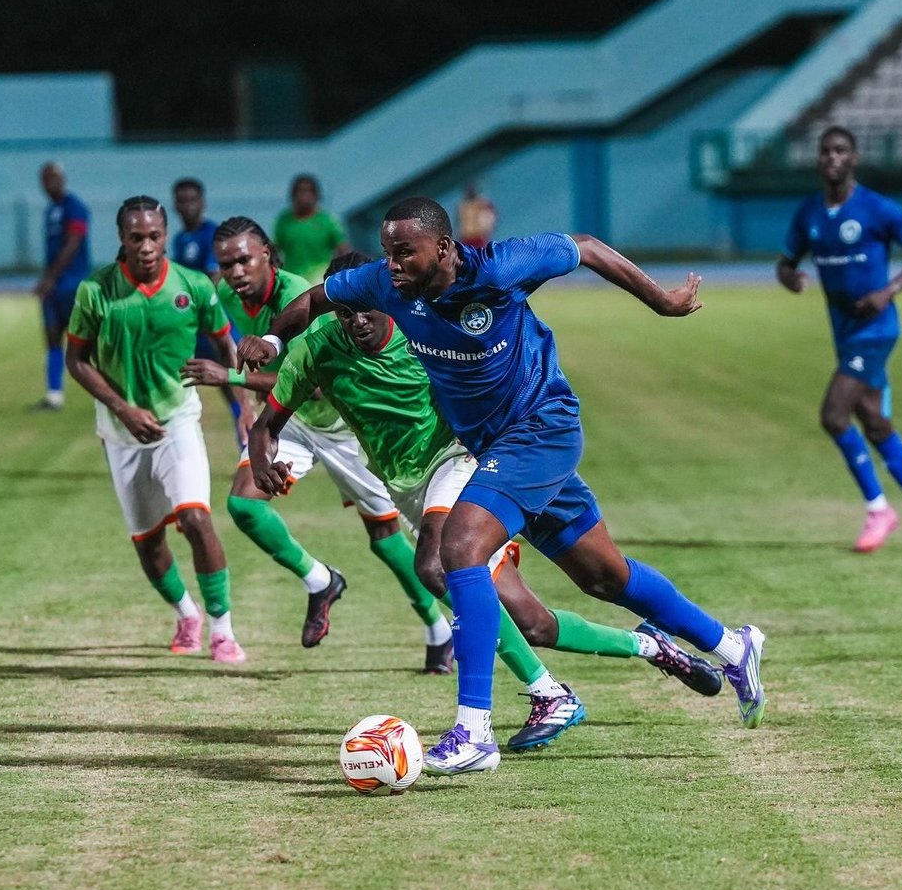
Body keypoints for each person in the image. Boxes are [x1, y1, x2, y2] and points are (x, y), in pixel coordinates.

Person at [238, 197, 766, 778]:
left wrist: (662, 301)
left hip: (541, 428)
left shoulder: (499, 268)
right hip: (495, 445)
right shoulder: (387, 285)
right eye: (386, 253)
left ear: (442, 248)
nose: (390, 265)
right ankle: (732, 646)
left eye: (403, 252)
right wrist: (276, 342)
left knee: (458, 549)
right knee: (604, 577)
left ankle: (474, 731)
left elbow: (585, 246)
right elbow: (318, 297)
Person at [183, 217, 441, 663]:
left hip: (348, 426)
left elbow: (314, 382)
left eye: (243, 260)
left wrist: (228, 378)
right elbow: (229, 338)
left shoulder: (298, 298)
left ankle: (439, 630)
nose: (235, 273)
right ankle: (320, 579)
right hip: (295, 422)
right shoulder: (226, 292)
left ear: (267, 252)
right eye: (225, 264)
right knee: (243, 503)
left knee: (385, 537)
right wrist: (245, 403)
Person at [64, 196, 247, 664]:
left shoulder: (193, 286)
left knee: (196, 518)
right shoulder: (96, 291)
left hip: (178, 420)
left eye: (154, 236)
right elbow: (77, 360)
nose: (146, 246)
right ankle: (187, 613)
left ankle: (223, 630)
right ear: (121, 239)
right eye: (136, 237)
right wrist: (122, 409)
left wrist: (242, 405)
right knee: (148, 542)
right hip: (121, 432)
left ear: (165, 236)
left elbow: (225, 342)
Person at [776, 126, 902, 553]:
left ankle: (879, 509)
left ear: (854, 158)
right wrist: (791, 278)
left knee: (834, 415)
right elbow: (785, 264)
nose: (832, 158)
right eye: (825, 151)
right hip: (844, 332)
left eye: (841, 151)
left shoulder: (877, 208)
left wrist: (889, 290)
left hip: (876, 331)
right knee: (876, 426)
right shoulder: (810, 213)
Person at [170, 177, 243, 439]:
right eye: (182, 200)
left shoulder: (213, 233)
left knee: (234, 388)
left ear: (203, 202)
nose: (188, 206)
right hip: (191, 327)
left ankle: (248, 451)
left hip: (215, 324)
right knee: (172, 386)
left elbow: (213, 279)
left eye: (193, 199)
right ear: (175, 205)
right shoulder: (179, 239)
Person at [32, 161, 91, 411]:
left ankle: (113, 391)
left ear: (63, 179)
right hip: (55, 286)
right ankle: (54, 394)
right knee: (53, 337)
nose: (49, 184)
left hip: (72, 283)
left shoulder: (75, 207)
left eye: (53, 178)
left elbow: (73, 243)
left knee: (87, 342)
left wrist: (50, 278)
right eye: (45, 179)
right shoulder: (50, 210)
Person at [273, 173, 350, 285]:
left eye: (309, 191)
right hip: (293, 280)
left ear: (316, 195)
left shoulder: (327, 220)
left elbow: (343, 249)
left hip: (320, 280)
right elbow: (274, 250)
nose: (305, 195)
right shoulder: (284, 221)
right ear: (293, 195)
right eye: (300, 191)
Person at [457, 183, 498, 249]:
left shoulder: (482, 202)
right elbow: (459, 222)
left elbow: (492, 217)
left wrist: (488, 230)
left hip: (478, 236)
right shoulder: (462, 205)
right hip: (466, 237)